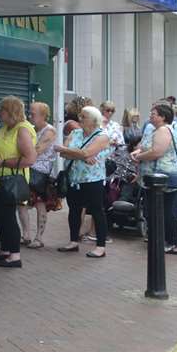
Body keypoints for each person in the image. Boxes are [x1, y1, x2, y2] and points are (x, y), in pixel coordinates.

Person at [0, 96, 36, 267]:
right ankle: (5, 250)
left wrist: (4, 163)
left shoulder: (23, 129)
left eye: (2, 110)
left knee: (8, 218)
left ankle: (14, 256)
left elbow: (30, 158)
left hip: (8, 182)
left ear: (11, 111)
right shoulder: (6, 127)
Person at [131, 102, 177, 255]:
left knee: (166, 211)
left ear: (162, 117)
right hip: (152, 178)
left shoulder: (163, 130)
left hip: (164, 177)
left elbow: (157, 152)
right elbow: (144, 147)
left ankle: (173, 243)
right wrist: (137, 153)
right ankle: (160, 239)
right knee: (153, 210)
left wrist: (139, 157)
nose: (150, 116)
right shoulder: (154, 130)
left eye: (153, 114)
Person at [57, 104, 112, 257]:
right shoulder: (75, 132)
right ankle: (73, 241)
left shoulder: (102, 136)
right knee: (74, 210)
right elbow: (64, 155)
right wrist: (81, 155)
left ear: (94, 120)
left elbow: (81, 151)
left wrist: (71, 151)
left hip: (93, 179)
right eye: (80, 115)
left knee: (96, 211)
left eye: (83, 116)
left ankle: (100, 246)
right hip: (74, 178)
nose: (79, 118)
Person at [24, 101, 60, 249]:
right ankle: (25, 234)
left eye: (33, 113)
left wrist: (23, 151)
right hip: (27, 169)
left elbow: (36, 150)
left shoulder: (49, 131)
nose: (30, 116)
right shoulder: (30, 129)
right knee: (21, 203)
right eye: (30, 112)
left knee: (40, 204)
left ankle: (39, 237)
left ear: (43, 115)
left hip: (41, 173)